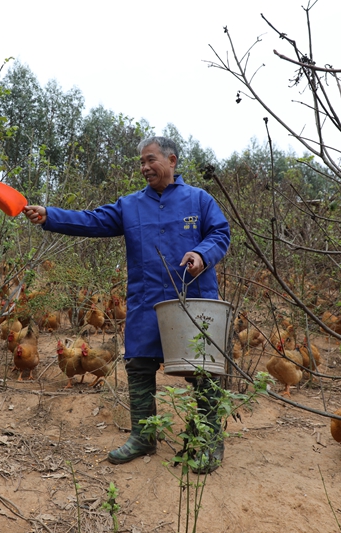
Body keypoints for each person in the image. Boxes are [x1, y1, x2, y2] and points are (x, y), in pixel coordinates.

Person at [23, 136, 230, 472]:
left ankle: (209, 441)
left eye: (151, 160)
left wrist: (201, 254)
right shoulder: (130, 206)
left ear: (172, 160)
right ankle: (144, 436)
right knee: (139, 366)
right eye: (141, 163)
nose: (145, 168)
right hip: (146, 301)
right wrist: (49, 215)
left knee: (202, 370)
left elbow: (221, 233)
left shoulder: (200, 201)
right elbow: (91, 221)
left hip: (192, 299)